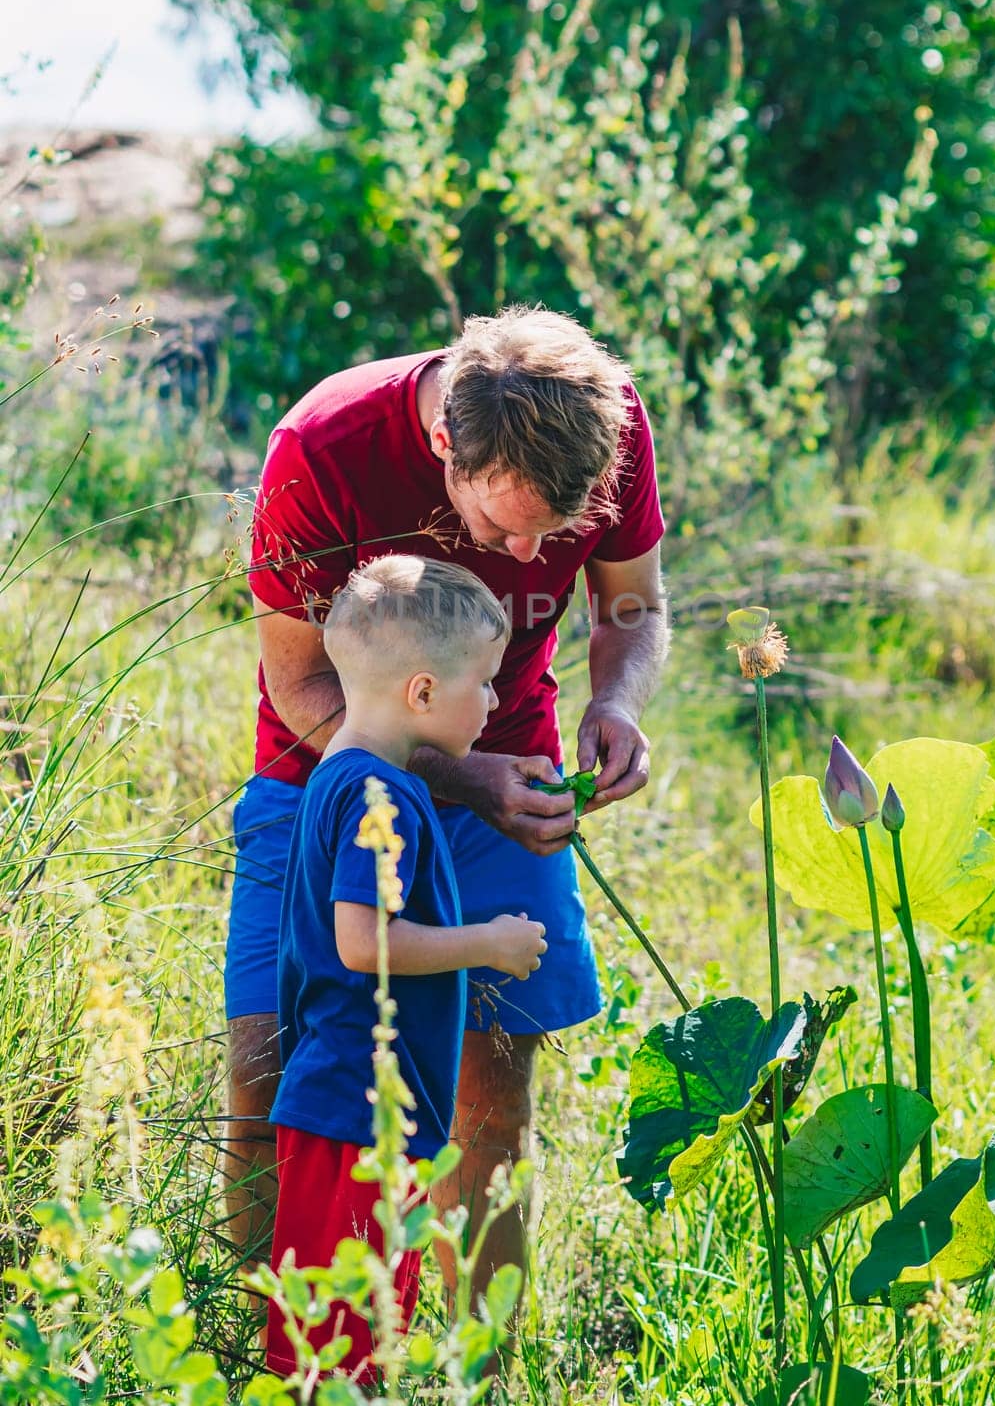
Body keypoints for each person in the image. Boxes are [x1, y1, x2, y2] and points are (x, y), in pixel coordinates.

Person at [226, 305, 669, 1314]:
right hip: (324, 775)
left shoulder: (610, 423)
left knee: (492, 1079)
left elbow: (632, 606)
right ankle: (263, 1355)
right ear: (440, 445)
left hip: (507, 760)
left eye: (550, 530)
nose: (525, 556)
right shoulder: (324, 446)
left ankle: (481, 1357)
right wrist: (463, 778)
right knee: (266, 1070)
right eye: (501, 524)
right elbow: (300, 689)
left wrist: (613, 702)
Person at [266, 554, 547, 1382]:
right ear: (422, 693)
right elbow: (362, 941)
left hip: (361, 1105)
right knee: (341, 1337)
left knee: (353, 1325)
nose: (496, 702)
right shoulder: (375, 794)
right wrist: (488, 943)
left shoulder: (344, 773)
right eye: (485, 683)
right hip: (357, 1110)